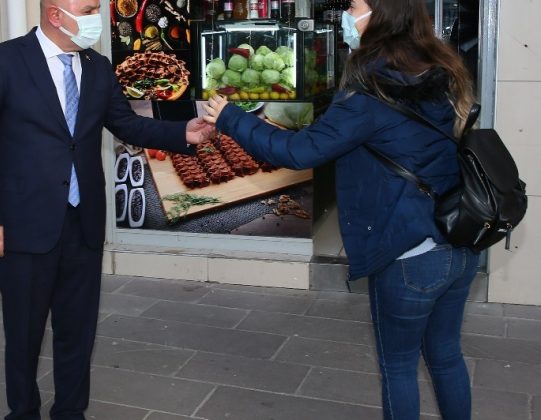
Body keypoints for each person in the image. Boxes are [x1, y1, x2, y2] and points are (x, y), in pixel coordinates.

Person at [202, 0, 478, 418]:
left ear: (380, 13)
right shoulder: (441, 71)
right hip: (456, 240)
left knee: (399, 367)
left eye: (353, 5)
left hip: (409, 252)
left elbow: (298, 150)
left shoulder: (374, 89)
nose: (346, 14)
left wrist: (232, 117)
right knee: (445, 355)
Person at [0, 1, 212, 419]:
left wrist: (182, 131)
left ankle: (71, 412)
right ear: (56, 15)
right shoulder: (2, 61)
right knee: (23, 334)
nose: (97, 16)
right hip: (23, 225)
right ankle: (22, 412)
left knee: (78, 331)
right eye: (90, 8)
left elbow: (127, 124)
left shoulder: (96, 66)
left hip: (83, 222)